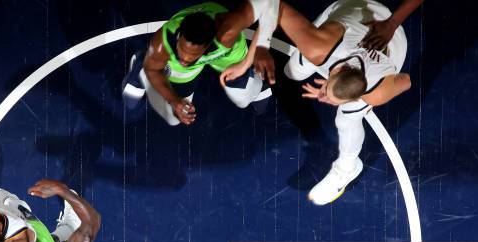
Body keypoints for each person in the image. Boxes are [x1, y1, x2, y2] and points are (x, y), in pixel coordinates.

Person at [227, 0, 412, 204]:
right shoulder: (318, 45)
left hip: (395, 42)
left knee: (348, 119)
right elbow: (272, 3)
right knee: (294, 72)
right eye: (326, 91)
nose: (324, 98)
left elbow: (406, 81)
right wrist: (259, 49)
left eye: (331, 100)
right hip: (352, 9)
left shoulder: (377, 92)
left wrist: (358, 99)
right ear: (337, 70)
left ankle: (347, 167)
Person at [121, 1, 280, 126]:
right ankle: (141, 63)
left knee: (243, 100)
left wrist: (257, 53)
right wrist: (174, 101)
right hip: (176, 56)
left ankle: (254, 79)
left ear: (208, 47)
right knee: (174, 118)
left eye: (191, 56)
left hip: (227, 54)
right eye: (181, 51)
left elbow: (268, 5)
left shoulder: (227, 31)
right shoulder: (162, 44)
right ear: (178, 38)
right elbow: (153, 70)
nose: (184, 61)